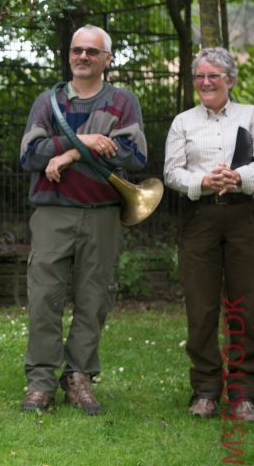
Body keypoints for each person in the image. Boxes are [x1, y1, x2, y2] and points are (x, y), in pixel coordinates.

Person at [19, 24, 147, 414]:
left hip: (102, 214)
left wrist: (70, 154)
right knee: (44, 299)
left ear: (108, 58)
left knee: (94, 300)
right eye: (77, 50)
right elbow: (29, 155)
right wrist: (87, 141)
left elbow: (133, 155)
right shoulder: (49, 100)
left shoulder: (123, 101)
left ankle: (79, 378)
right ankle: (40, 381)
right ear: (69, 54)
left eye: (93, 51)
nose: (83, 57)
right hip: (52, 211)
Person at [164, 47, 254, 420]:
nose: (205, 82)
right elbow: (171, 172)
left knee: (246, 305)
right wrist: (202, 180)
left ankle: (244, 392)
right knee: (201, 308)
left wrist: (239, 177)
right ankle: (205, 389)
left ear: (230, 80)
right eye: (200, 76)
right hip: (199, 217)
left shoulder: (250, 115)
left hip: (244, 217)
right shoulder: (183, 122)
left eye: (213, 76)